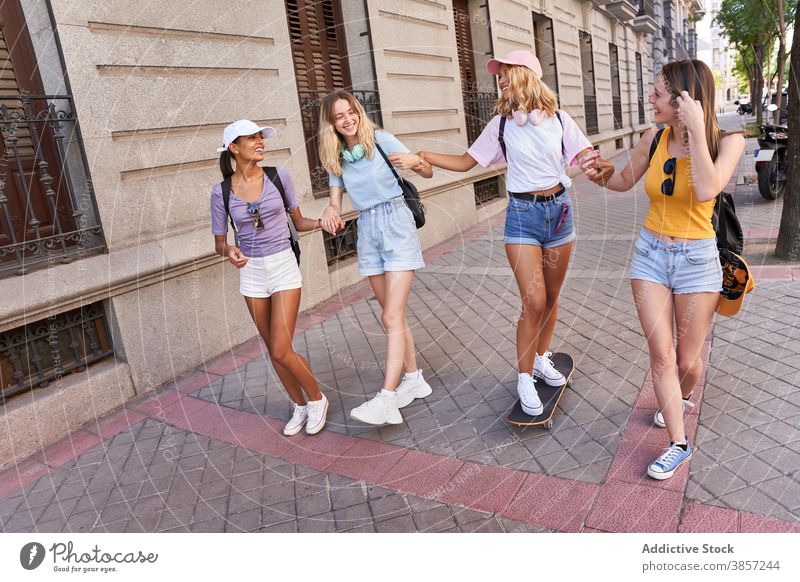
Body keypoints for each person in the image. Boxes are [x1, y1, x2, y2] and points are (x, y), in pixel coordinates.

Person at [414, 50, 606, 417]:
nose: (500, 80)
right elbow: (466, 162)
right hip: (522, 217)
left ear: (526, 75)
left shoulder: (560, 120)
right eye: (498, 75)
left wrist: (591, 172)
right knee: (533, 302)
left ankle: (539, 359)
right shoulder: (501, 125)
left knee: (551, 298)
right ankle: (523, 376)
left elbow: (587, 159)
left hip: (560, 213)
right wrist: (428, 155)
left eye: (505, 73)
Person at [583, 60, 745, 480]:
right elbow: (624, 181)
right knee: (662, 356)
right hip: (650, 255)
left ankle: (681, 393)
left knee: (688, 362)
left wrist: (694, 132)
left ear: (684, 100)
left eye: (658, 94)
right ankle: (678, 443)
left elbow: (709, 189)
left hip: (697, 260)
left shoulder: (727, 142)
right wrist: (601, 176)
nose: (650, 100)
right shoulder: (652, 138)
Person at [318, 91, 433, 426]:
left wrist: (417, 162)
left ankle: (387, 398)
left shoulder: (381, 139)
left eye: (351, 112)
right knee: (391, 315)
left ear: (359, 112)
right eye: (339, 116)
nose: (347, 119)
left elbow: (425, 172)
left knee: (391, 317)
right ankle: (414, 378)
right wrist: (330, 209)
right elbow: (336, 200)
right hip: (367, 229)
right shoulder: (337, 157)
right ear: (332, 124)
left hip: (397, 222)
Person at [210, 119, 328, 436]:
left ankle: (317, 398)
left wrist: (322, 223)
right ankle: (298, 405)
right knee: (271, 347)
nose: (259, 142)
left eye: (260, 137)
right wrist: (229, 252)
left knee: (280, 348)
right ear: (234, 148)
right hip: (251, 271)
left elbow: (299, 221)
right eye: (251, 138)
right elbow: (220, 242)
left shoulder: (279, 176)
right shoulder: (221, 192)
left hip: (283, 264)